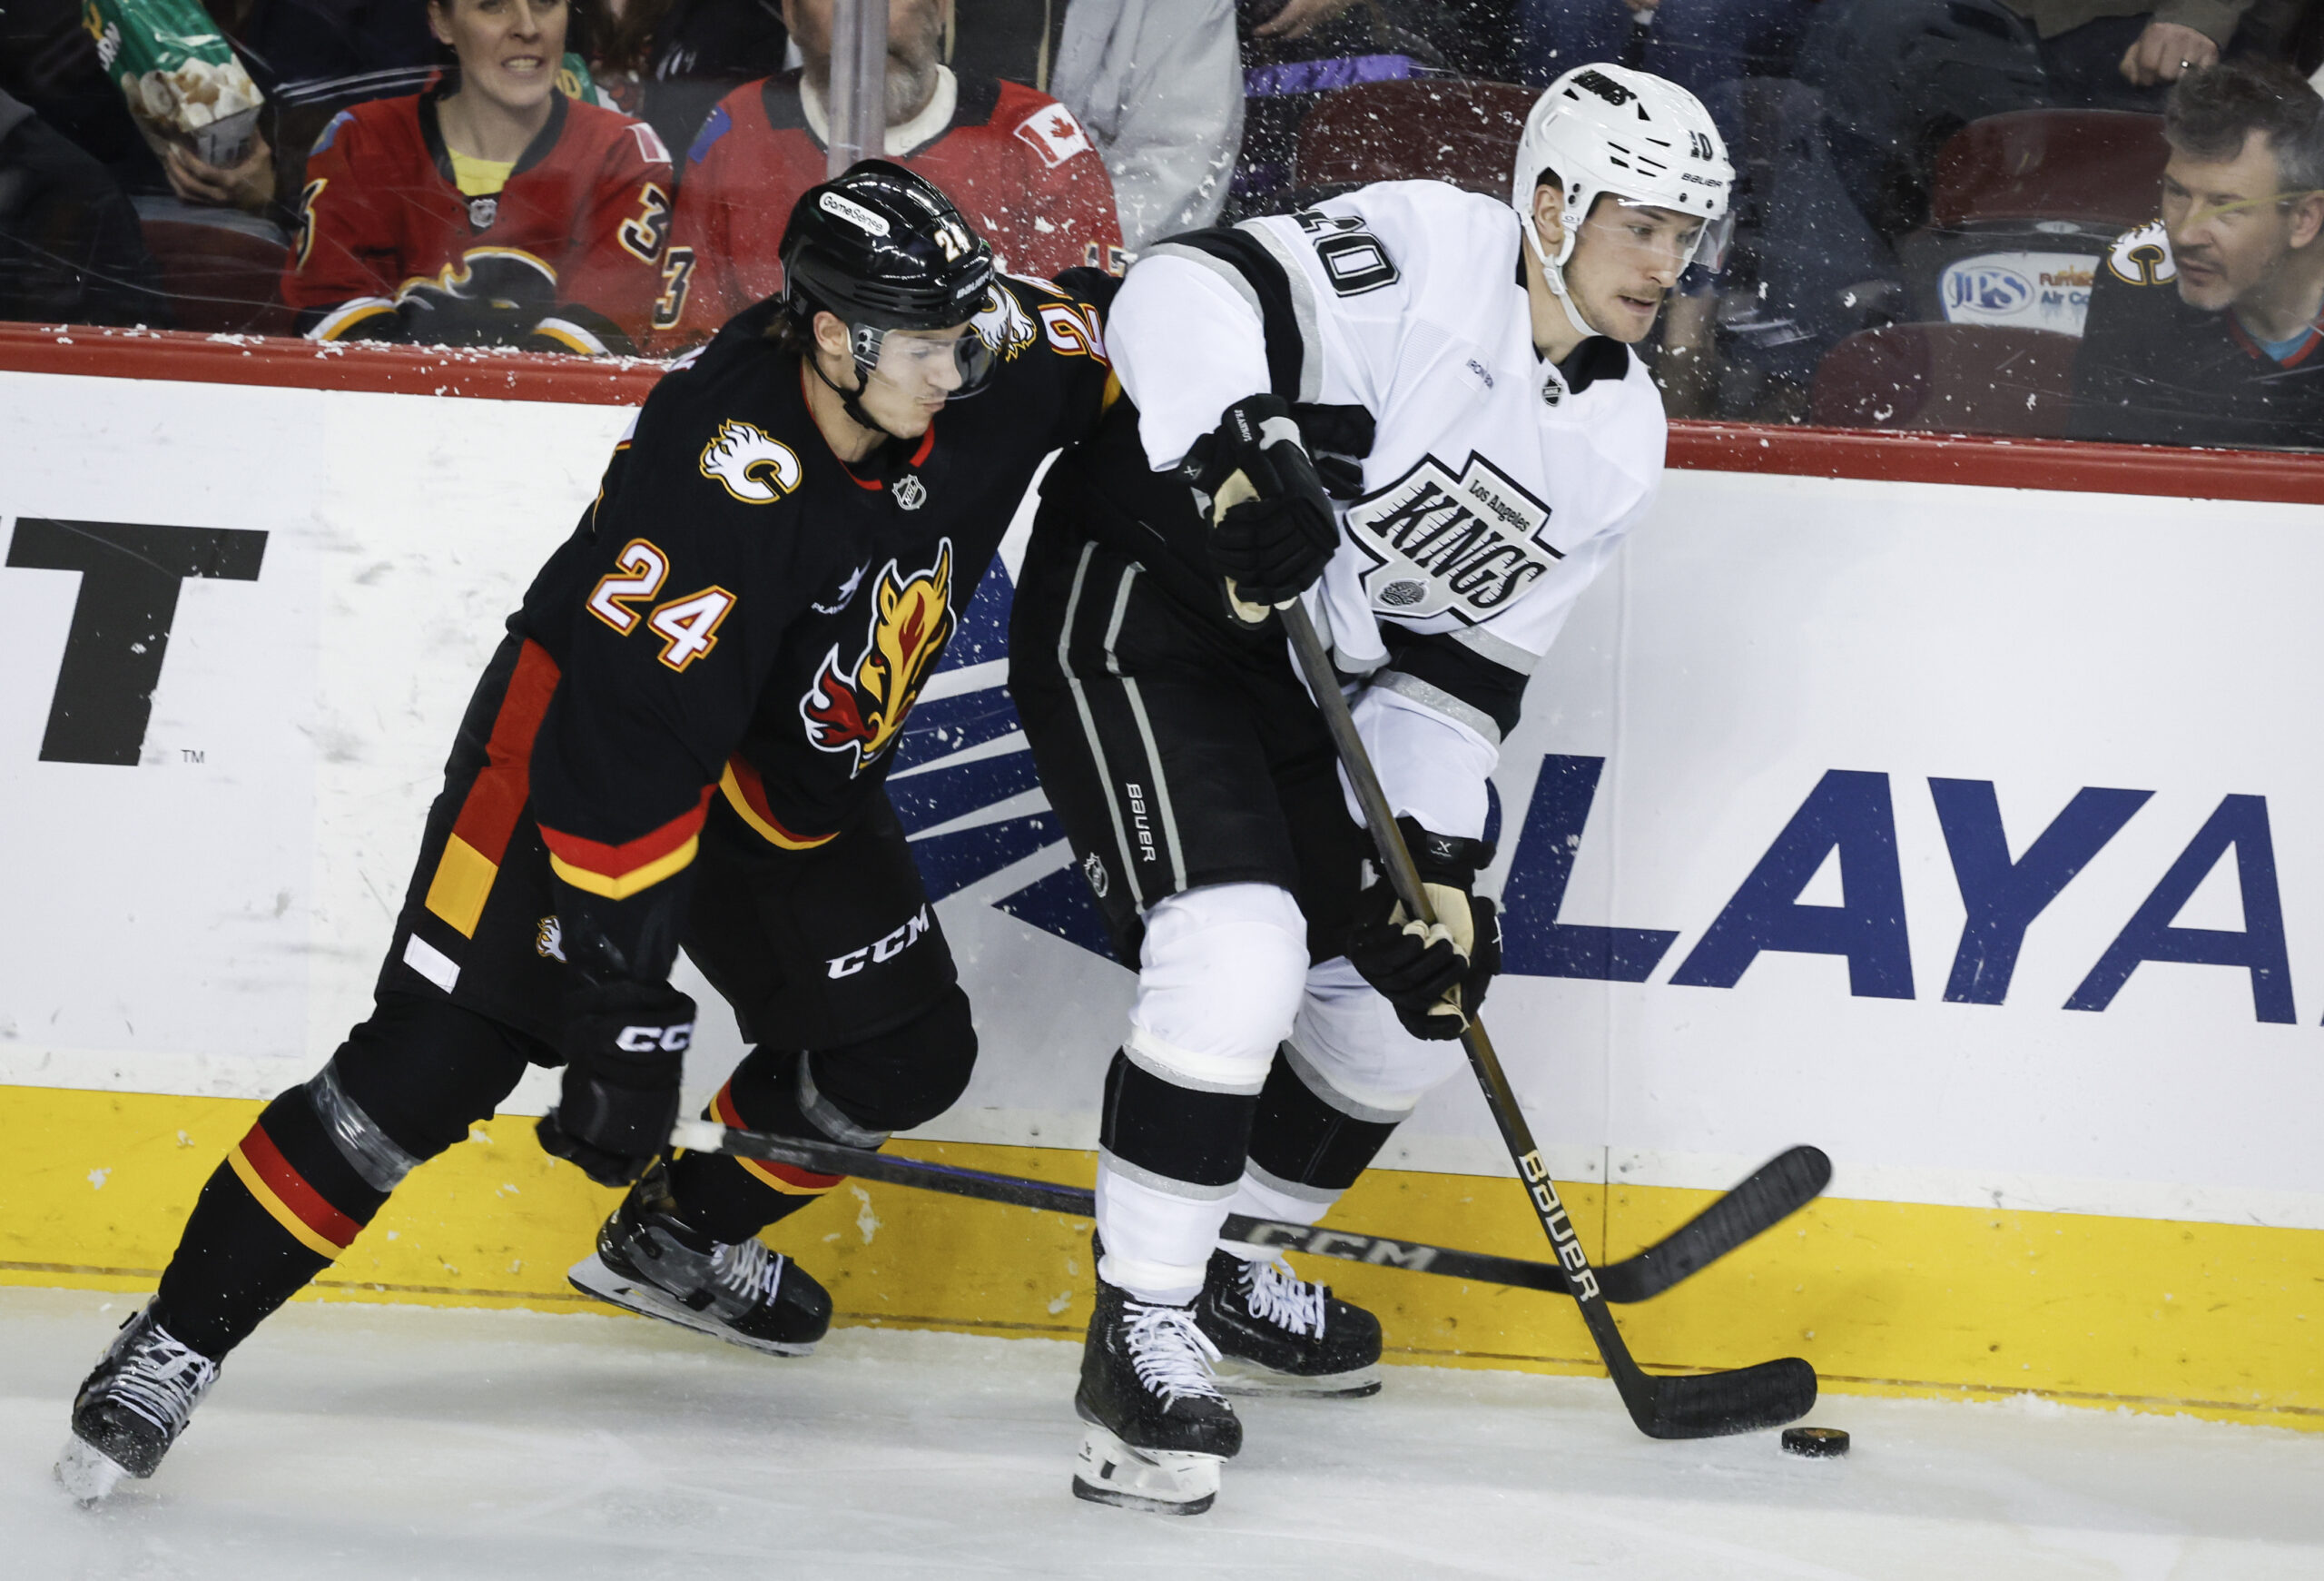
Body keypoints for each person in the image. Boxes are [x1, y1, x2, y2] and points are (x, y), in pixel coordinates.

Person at [56, 161, 1118, 1504]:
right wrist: (622, 1002)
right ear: (834, 338)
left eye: (970, 333)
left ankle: (675, 1238)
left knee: (905, 1051)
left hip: (779, 788)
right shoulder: (722, 477)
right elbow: (625, 756)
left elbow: (1144, 331)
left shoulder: (986, 352)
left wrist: (1255, 461)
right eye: (927, 346)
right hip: (581, 752)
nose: (960, 368)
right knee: (433, 1068)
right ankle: (176, 1340)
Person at [1010, 62, 1733, 1514]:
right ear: (1551, 203)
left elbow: (1457, 685)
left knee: (1416, 998)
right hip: (1141, 598)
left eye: (1687, 233)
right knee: (1238, 950)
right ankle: (1133, 1336)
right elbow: (1173, 290)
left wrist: (1440, 866)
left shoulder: (1618, 436)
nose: (1670, 263)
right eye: (1642, 225)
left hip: (1303, 676)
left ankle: (1225, 1266)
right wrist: (1233, 454)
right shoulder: (1425, 251)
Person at [656, 0, 1123, 346]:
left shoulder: (1035, 140)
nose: (867, 19)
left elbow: (1082, 352)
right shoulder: (740, 128)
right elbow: (689, 347)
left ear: (941, 8)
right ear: (792, 17)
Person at [282, 0, 675, 352]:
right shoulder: (360, 140)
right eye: (493, 6)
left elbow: (601, 331)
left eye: (545, 3)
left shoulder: (624, 153)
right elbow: (329, 312)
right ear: (442, 21)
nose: (528, 26)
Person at [2073, 58, 2324, 445]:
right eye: (2176, 192)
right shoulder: (2136, 276)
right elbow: (2107, 478)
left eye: (2226, 207)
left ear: (2305, 219)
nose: (2186, 235)